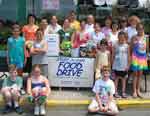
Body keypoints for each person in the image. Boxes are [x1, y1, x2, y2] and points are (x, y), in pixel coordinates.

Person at [130, 23, 148, 98]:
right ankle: (134, 91)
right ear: (136, 29)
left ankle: (138, 90)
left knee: (140, 74)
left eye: (142, 29)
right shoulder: (134, 37)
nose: (140, 30)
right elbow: (131, 48)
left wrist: (147, 56)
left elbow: (147, 48)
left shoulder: (146, 37)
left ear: (143, 29)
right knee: (135, 74)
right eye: (139, 29)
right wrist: (135, 43)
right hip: (135, 57)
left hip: (142, 57)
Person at [112, 31, 130, 98]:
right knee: (116, 79)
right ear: (118, 37)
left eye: (123, 38)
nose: (121, 39)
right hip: (116, 65)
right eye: (120, 38)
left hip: (124, 66)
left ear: (125, 38)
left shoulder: (127, 46)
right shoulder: (115, 45)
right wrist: (112, 65)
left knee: (123, 79)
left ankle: (123, 92)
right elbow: (113, 55)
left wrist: (128, 65)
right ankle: (115, 92)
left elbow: (128, 56)